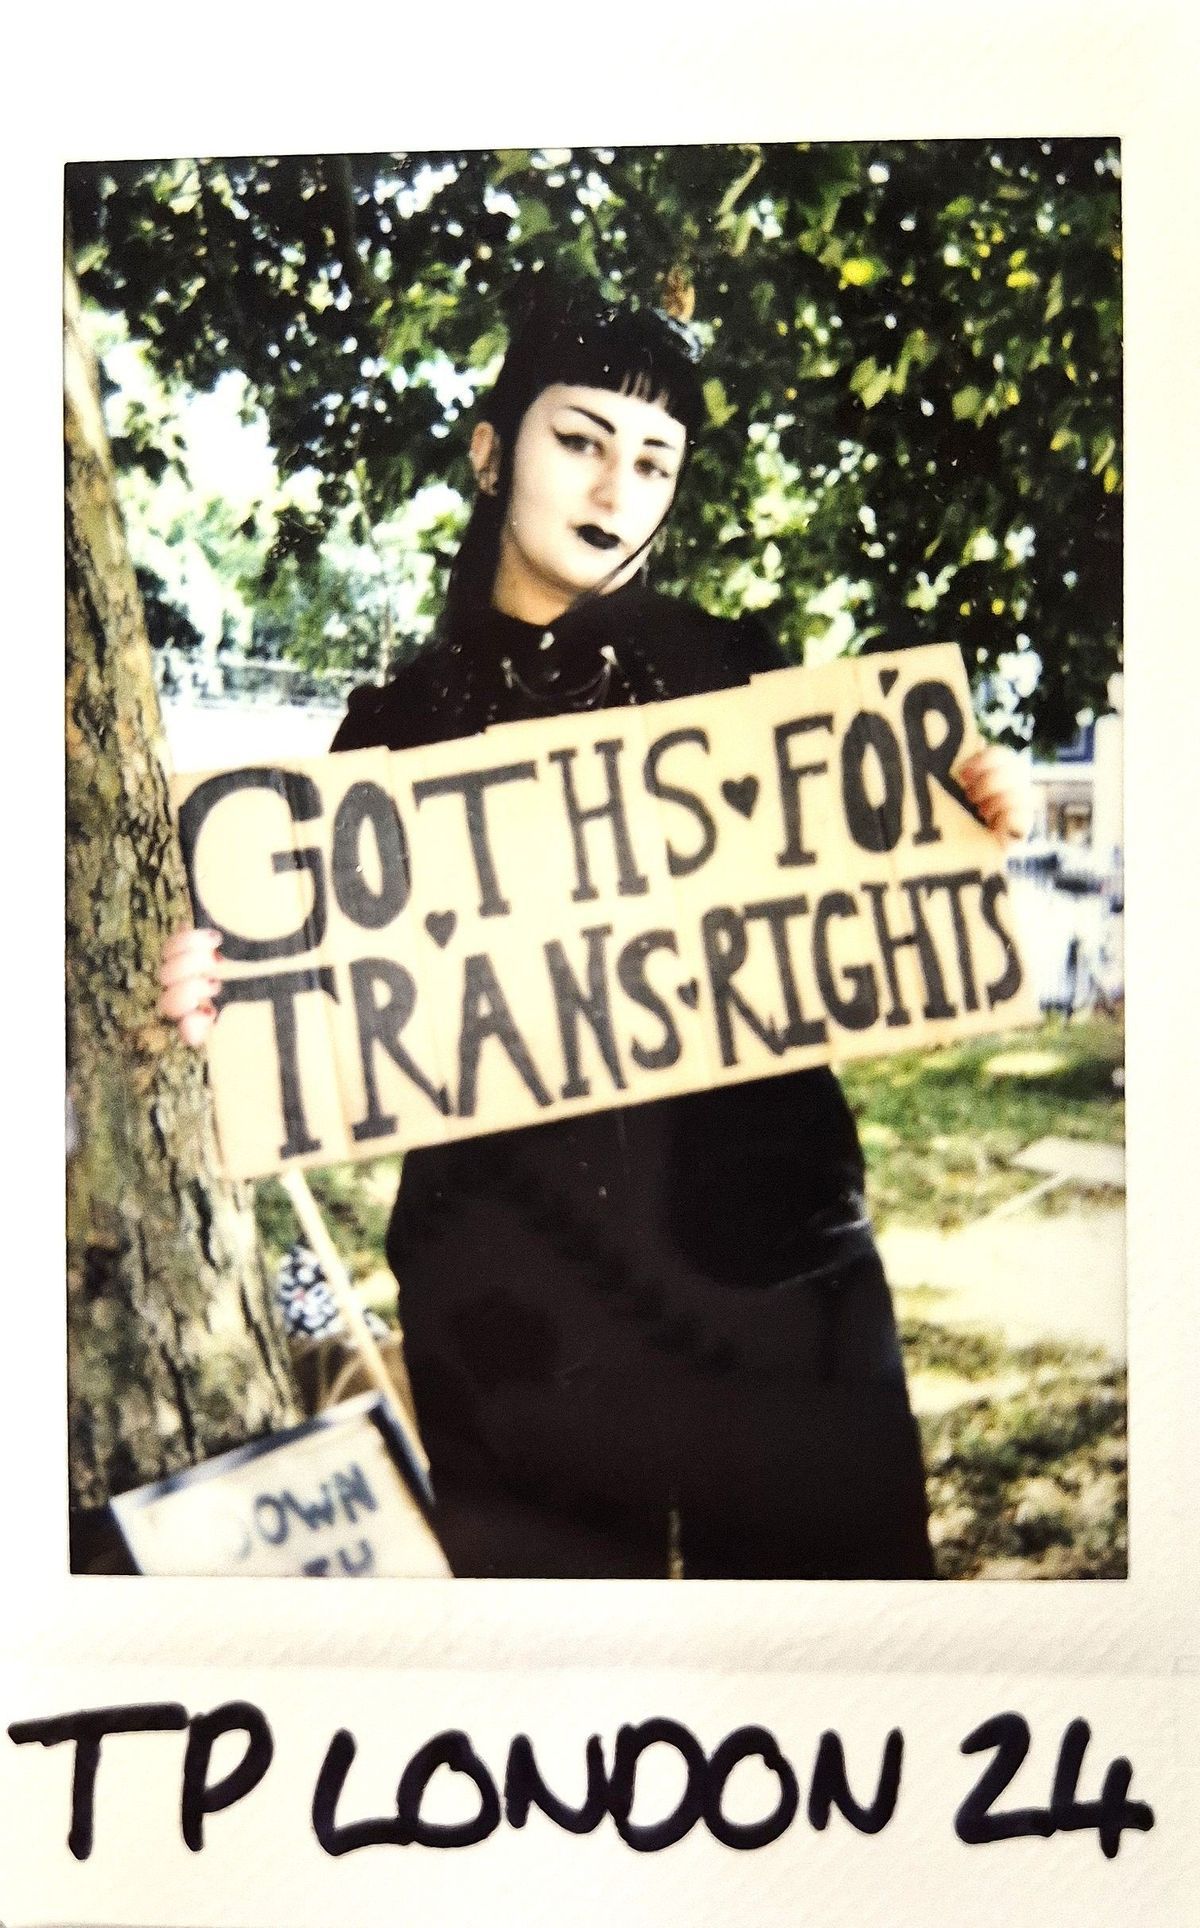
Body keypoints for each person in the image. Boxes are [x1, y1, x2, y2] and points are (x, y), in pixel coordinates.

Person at [161, 292, 1030, 1579]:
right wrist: (224, 989)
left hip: (774, 1288)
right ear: (489, 448)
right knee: (561, 1702)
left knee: (835, 1669)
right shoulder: (388, 739)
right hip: (518, 1317)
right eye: (581, 439)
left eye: (655, 459)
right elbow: (320, 1008)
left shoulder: (747, 683)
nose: (617, 486)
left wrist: (962, 818)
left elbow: (882, 912)